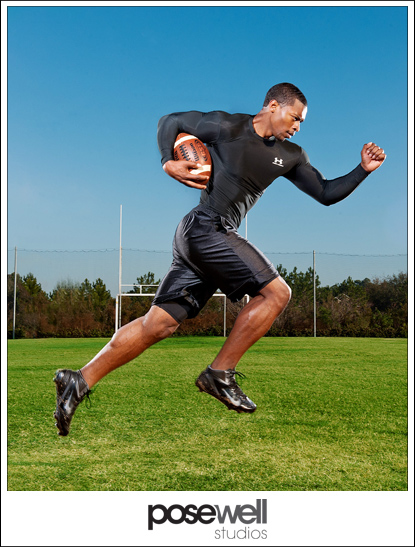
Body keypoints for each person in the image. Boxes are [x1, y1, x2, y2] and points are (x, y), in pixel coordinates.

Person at [53, 83, 386, 436]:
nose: (297, 126)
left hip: (202, 238)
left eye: (301, 122)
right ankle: (219, 373)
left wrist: (363, 169)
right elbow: (171, 120)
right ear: (273, 106)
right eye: (295, 117)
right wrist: (168, 161)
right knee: (277, 294)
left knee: (159, 325)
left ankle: (79, 379)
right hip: (206, 228)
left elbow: (325, 192)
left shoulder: (292, 156)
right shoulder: (227, 127)